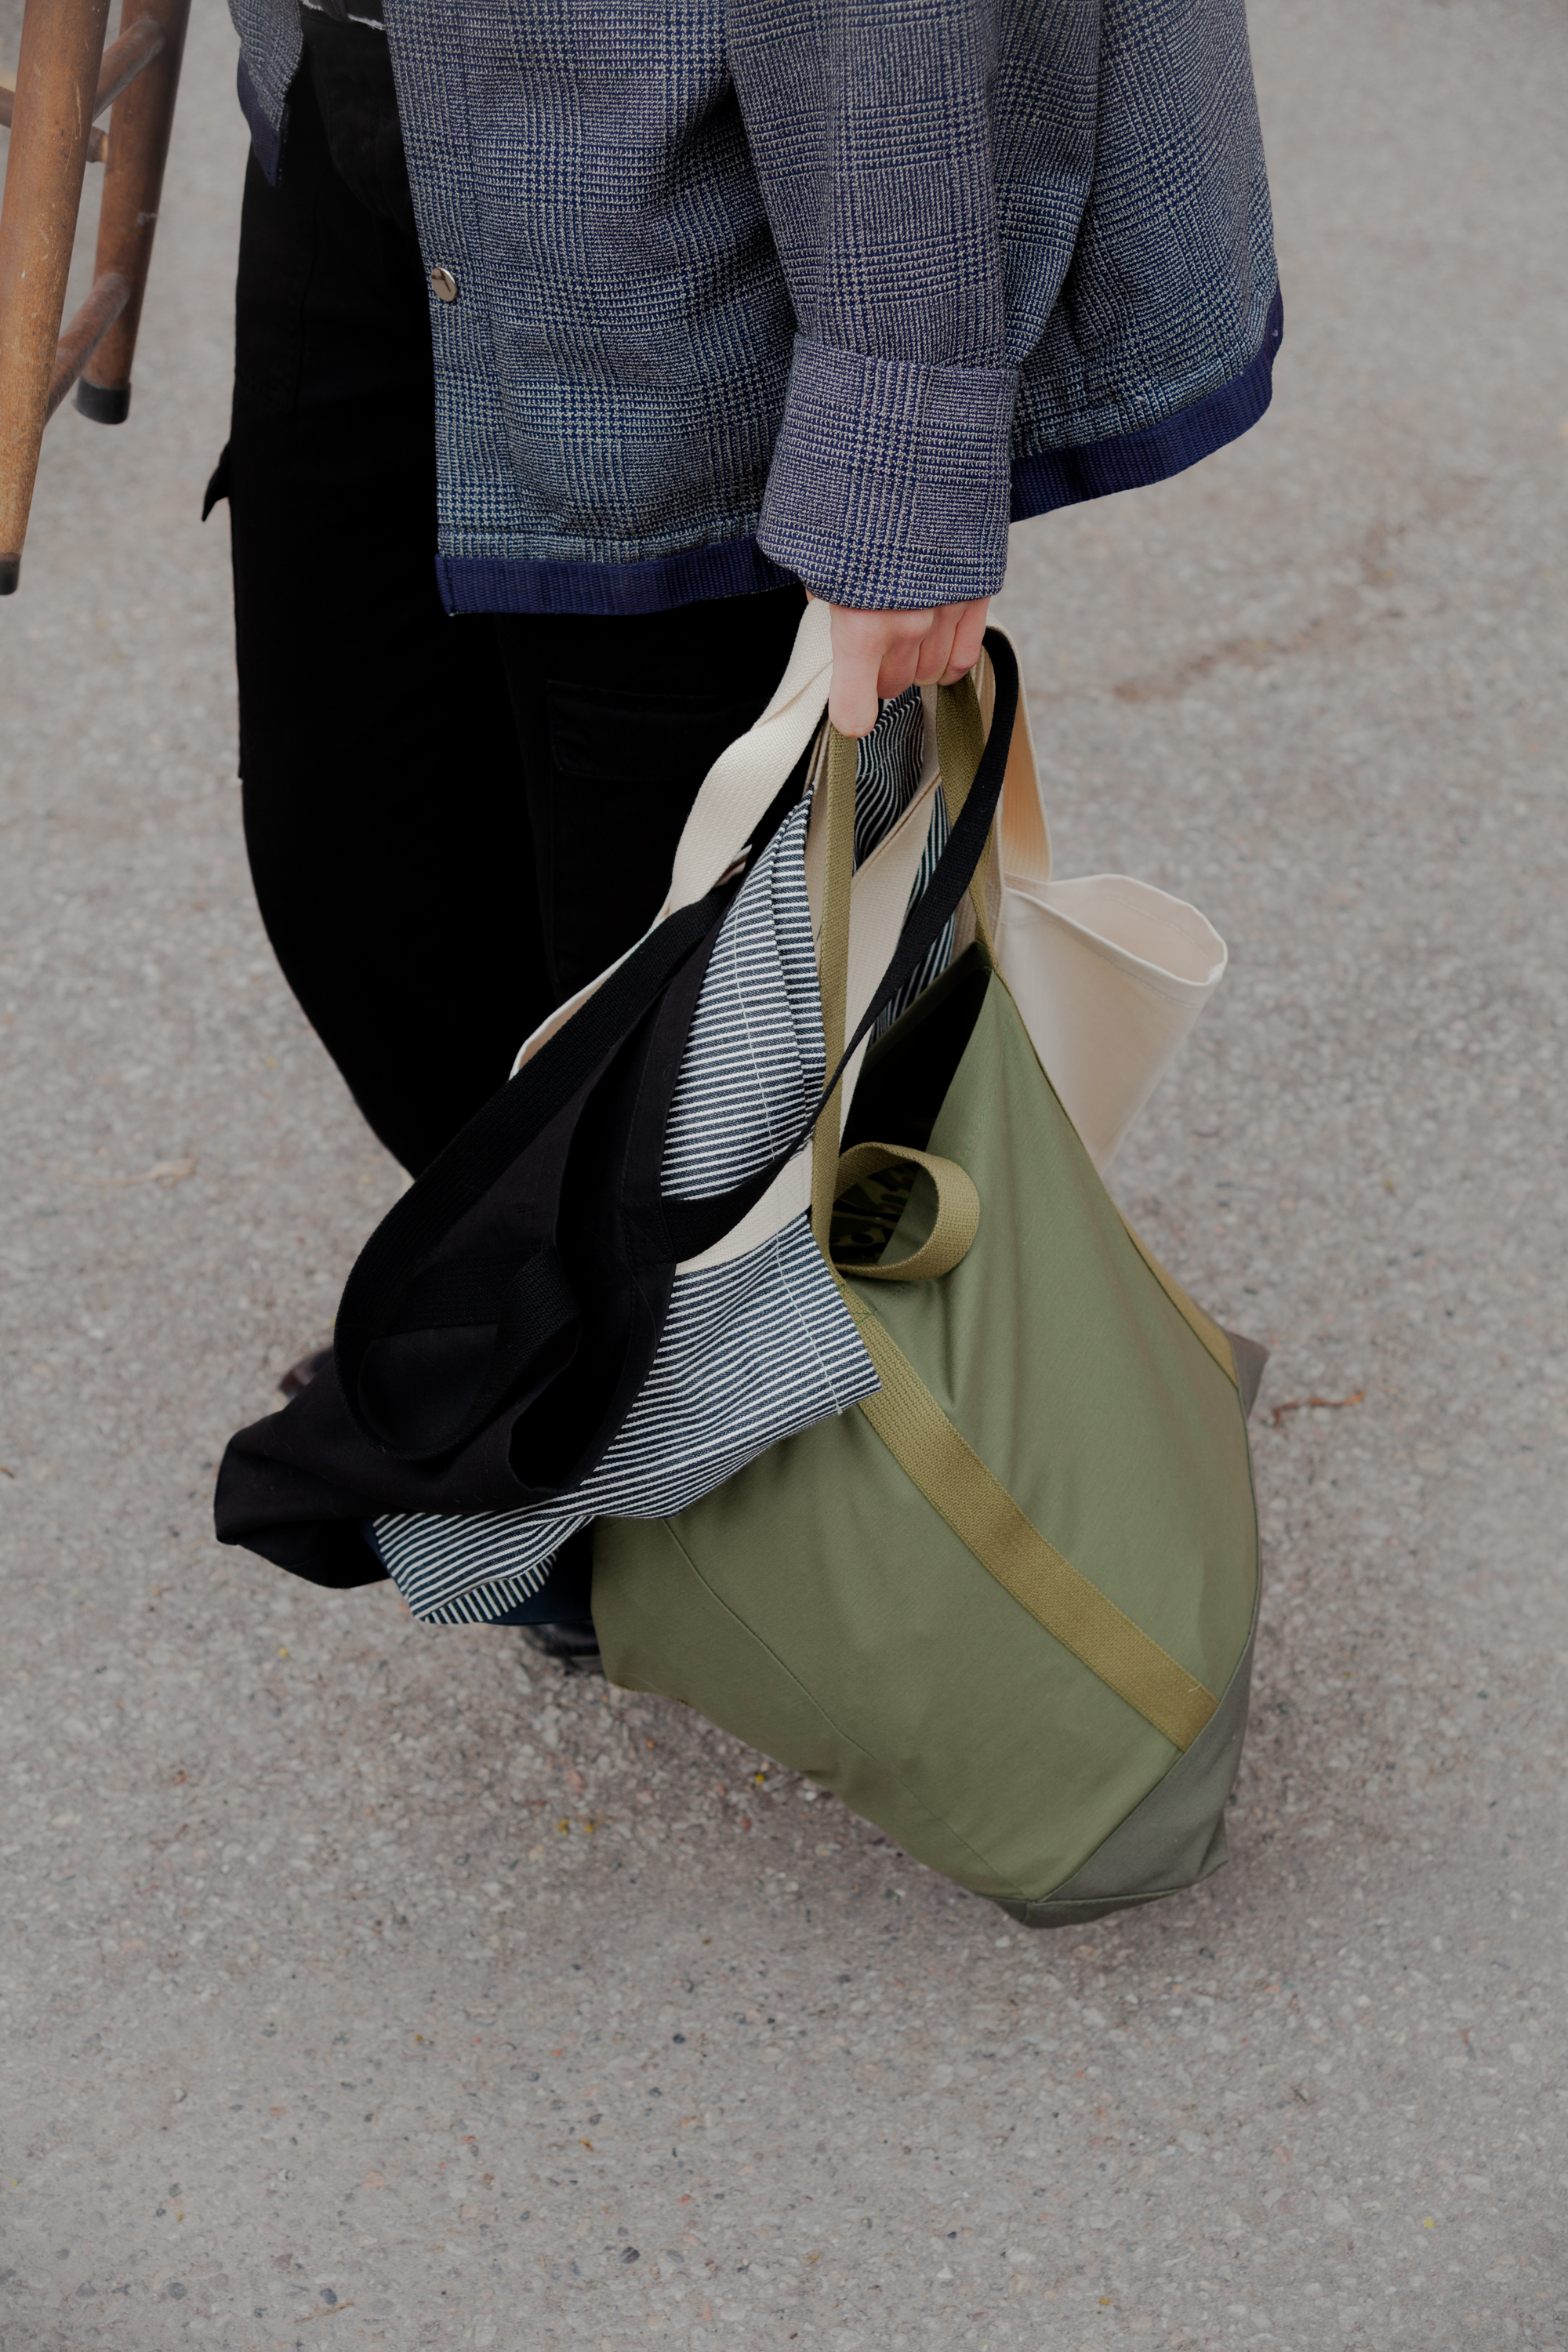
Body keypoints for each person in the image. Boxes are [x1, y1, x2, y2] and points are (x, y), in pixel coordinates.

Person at [208, 0, 1282, 1660]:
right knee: (360, 872)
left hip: (689, 179)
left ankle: (754, 1487)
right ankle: (603, 1380)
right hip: (365, 106)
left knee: (663, 966)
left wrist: (901, 436)